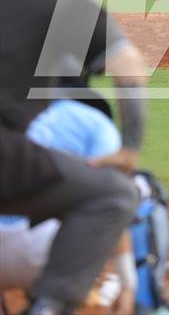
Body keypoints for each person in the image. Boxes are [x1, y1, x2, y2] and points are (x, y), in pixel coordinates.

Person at [0, 0, 147, 314]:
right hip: (8, 158)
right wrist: (131, 149)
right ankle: (48, 306)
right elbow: (128, 66)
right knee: (112, 194)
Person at [0, 97, 137, 315]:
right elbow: (112, 207)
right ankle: (46, 307)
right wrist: (127, 282)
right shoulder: (92, 120)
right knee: (127, 191)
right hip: (50, 256)